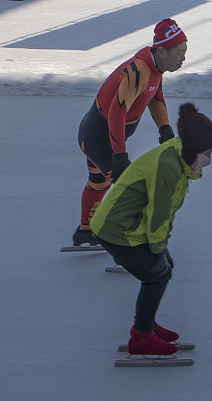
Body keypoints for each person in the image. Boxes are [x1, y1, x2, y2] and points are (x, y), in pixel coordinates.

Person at [92, 102, 212, 358]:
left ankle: (146, 323)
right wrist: (158, 249)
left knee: (162, 268)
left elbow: (166, 211)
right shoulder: (169, 166)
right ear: (194, 149)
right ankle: (141, 337)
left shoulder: (177, 160)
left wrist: (161, 248)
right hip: (116, 229)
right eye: (207, 153)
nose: (209, 159)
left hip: (130, 226)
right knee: (155, 274)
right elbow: (158, 213)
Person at [73, 18, 189, 247]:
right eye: (180, 52)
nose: (184, 58)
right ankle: (127, 244)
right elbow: (117, 113)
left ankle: (85, 232)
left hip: (101, 136)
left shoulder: (155, 69)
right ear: (163, 51)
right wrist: (119, 157)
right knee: (135, 189)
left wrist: (165, 129)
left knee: (99, 182)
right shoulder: (138, 71)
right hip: (98, 138)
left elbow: (156, 99)